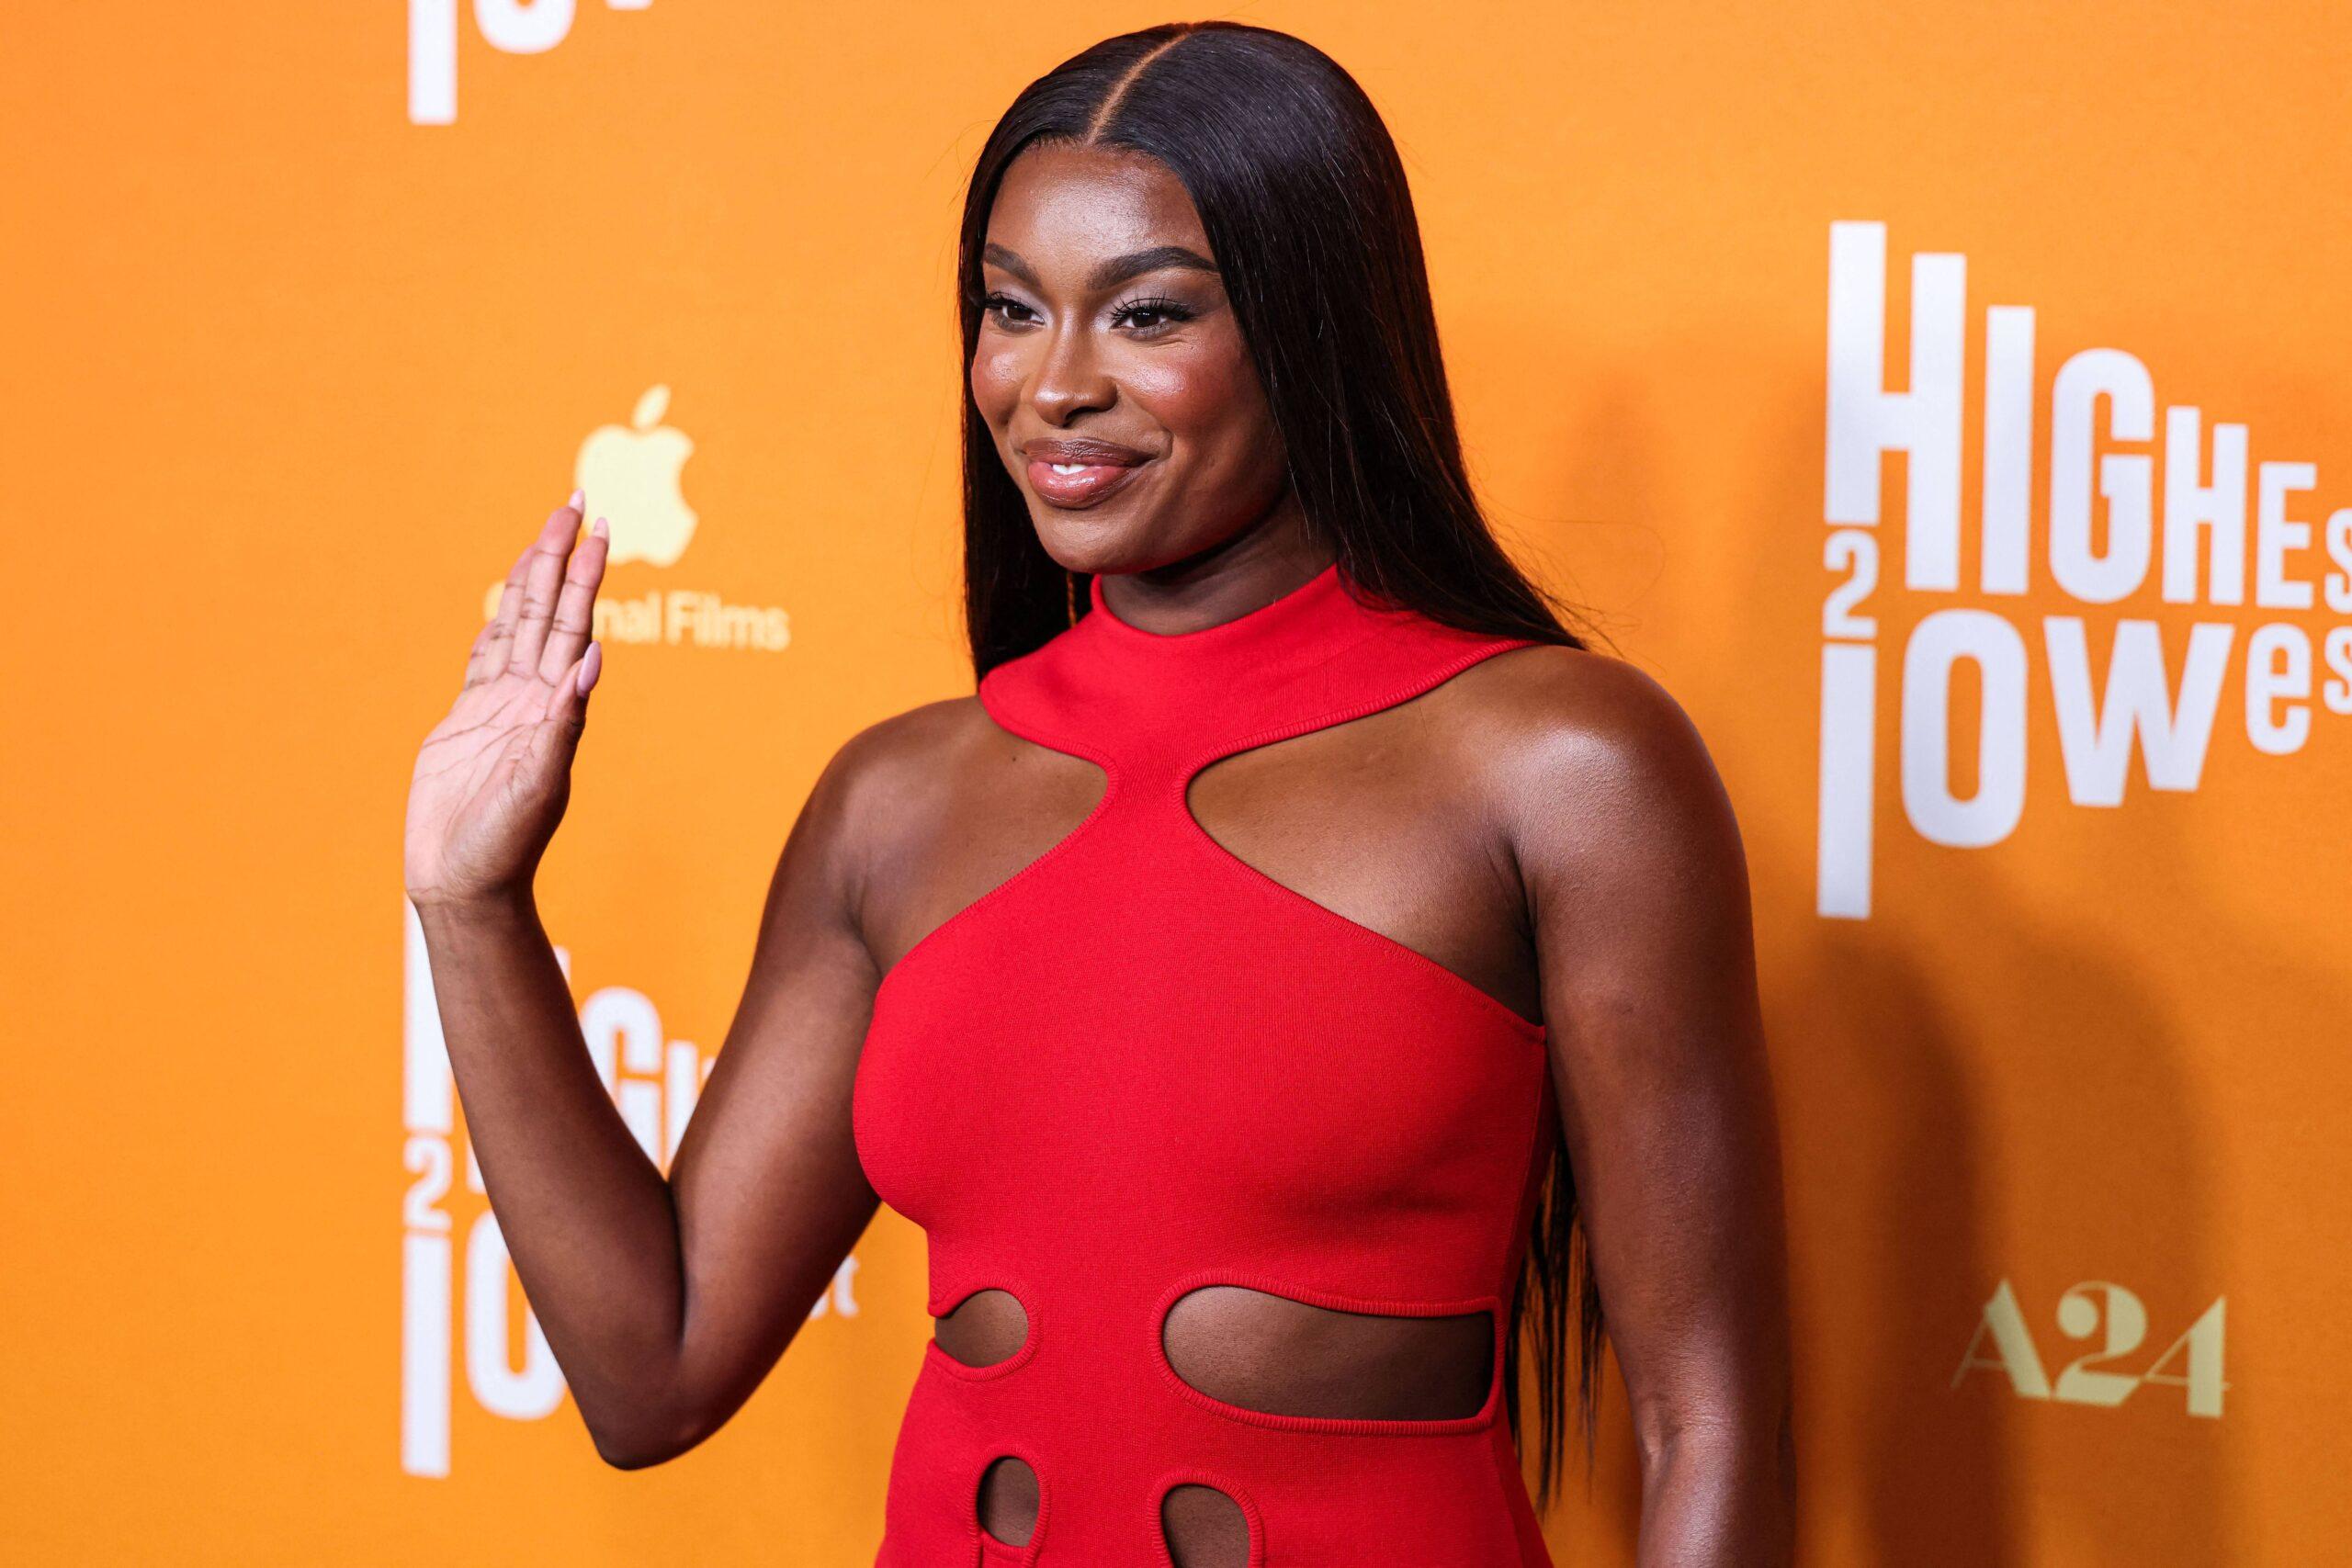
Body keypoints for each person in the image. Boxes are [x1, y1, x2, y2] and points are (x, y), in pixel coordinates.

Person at [404, 20, 1792, 1566]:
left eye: (1146, 315)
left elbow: (1706, 1426)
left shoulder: (1559, 765)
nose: (1053, 386)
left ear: (1309, 330)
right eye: (1010, 310)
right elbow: (648, 1368)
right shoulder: (900, 800)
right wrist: (472, 904)